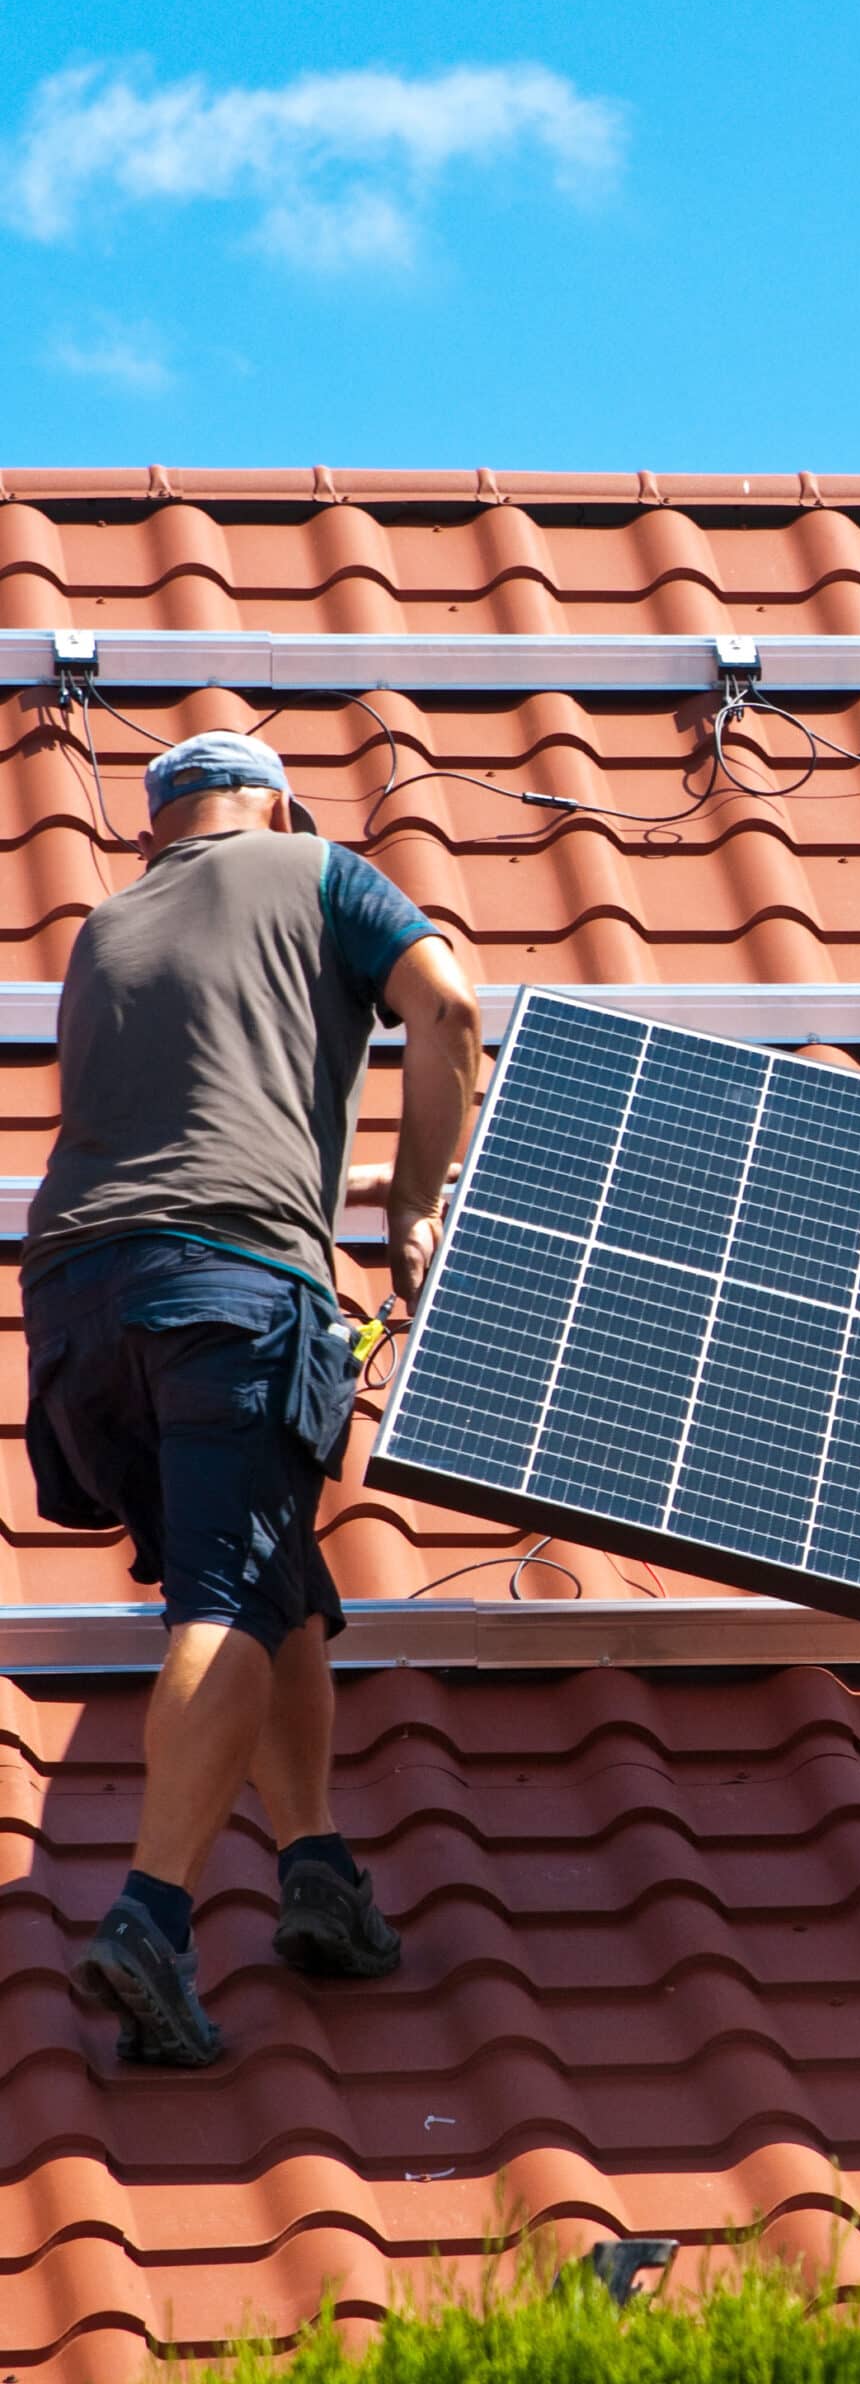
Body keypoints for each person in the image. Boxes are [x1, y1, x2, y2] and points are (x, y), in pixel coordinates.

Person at [26, 731, 481, 2066]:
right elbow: (448, 1009)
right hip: (229, 1284)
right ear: (276, 806)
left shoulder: (106, 924)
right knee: (225, 1596)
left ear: (157, 831)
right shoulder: (322, 869)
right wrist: (408, 1208)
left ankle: (317, 1870)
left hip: (74, 1315)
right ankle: (154, 1920)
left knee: (274, 1574)